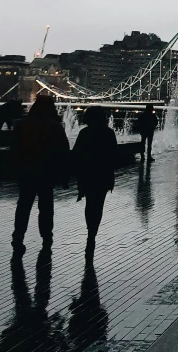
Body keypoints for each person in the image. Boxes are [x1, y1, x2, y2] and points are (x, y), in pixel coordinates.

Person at [10, 95, 70, 258]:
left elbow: (14, 149)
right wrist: (65, 175)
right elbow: (64, 151)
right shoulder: (55, 126)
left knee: (23, 205)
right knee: (46, 207)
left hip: (27, 171)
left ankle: (18, 236)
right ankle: (46, 237)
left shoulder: (21, 125)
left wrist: (15, 169)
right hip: (46, 172)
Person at [72, 106, 118, 260]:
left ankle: (89, 229)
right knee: (98, 205)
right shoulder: (109, 133)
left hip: (88, 174)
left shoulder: (84, 133)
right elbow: (114, 155)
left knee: (89, 203)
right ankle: (92, 233)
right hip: (103, 175)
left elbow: (76, 154)